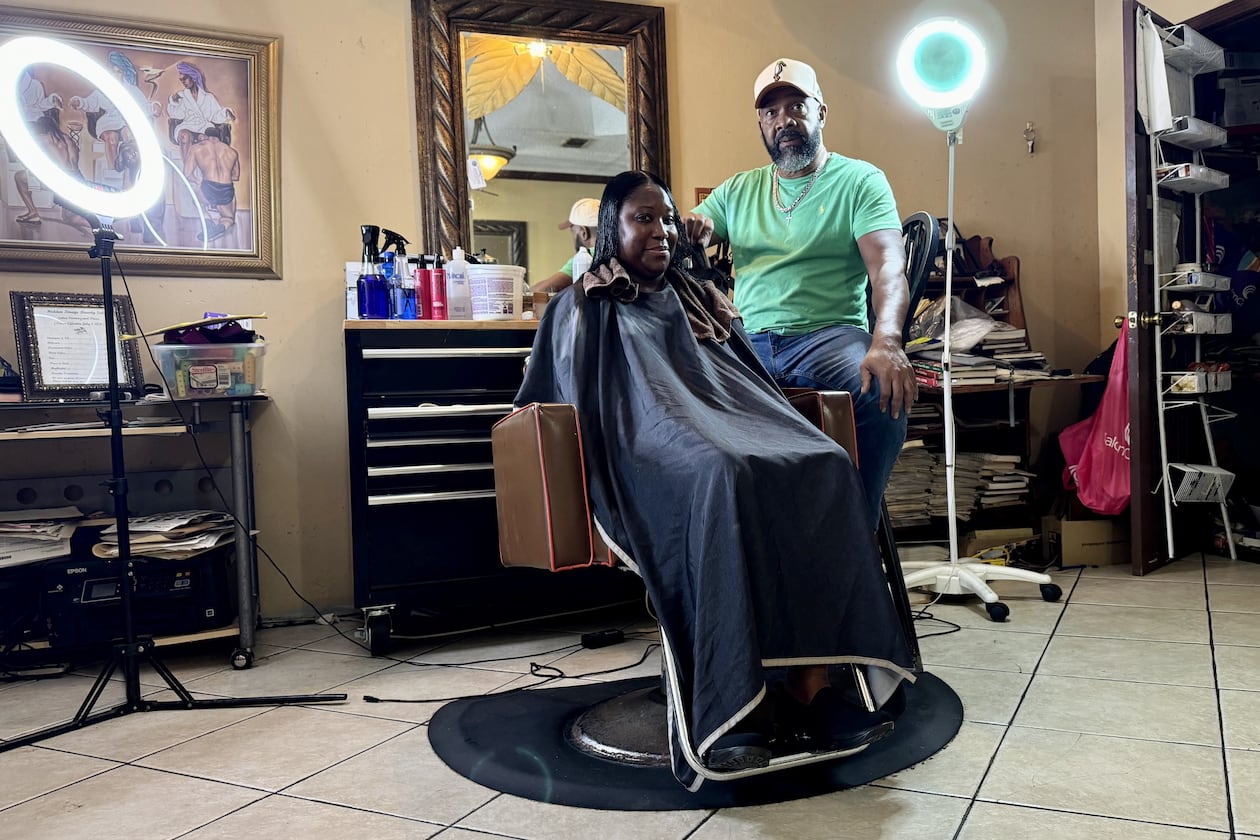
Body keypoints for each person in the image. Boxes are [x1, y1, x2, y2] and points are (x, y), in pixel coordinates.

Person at [516, 170, 914, 788]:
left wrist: (752, 428)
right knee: (722, 472)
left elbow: (746, 385)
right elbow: (580, 399)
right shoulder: (583, 302)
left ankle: (810, 688)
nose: (661, 230)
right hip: (646, 447)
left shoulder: (699, 300)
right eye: (643, 219)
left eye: (668, 219)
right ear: (610, 229)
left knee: (826, 463)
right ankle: (733, 708)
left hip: (723, 428)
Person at [686, 58, 916, 529]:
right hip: (747, 343)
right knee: (674, 396)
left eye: (797, 106)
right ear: (760, 124)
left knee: (880, 390)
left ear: (821, 113)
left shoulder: (860, 180)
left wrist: (888, 340)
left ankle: (852, 540)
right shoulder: (738, 190)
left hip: (829, 338)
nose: (784, 120)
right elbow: (694, 227)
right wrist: (690, 228)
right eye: (771, 112)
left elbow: (888, 266)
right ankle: (732, 545)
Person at [185, 125, 241, 242]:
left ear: (206, 136)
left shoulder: (196, 148)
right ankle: (221, 226)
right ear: (219, 137)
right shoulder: (232, 152)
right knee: (228, 218)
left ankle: (207, 222)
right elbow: (236, 176)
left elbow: (187, 174)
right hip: (226, 189)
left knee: (195, 197)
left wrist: (198, 181)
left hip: (208, 188)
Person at [534, 197, 598, 292]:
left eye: (572, 231)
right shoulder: (615, 253)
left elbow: (544, 289)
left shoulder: (586, 257)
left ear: (583, 233)